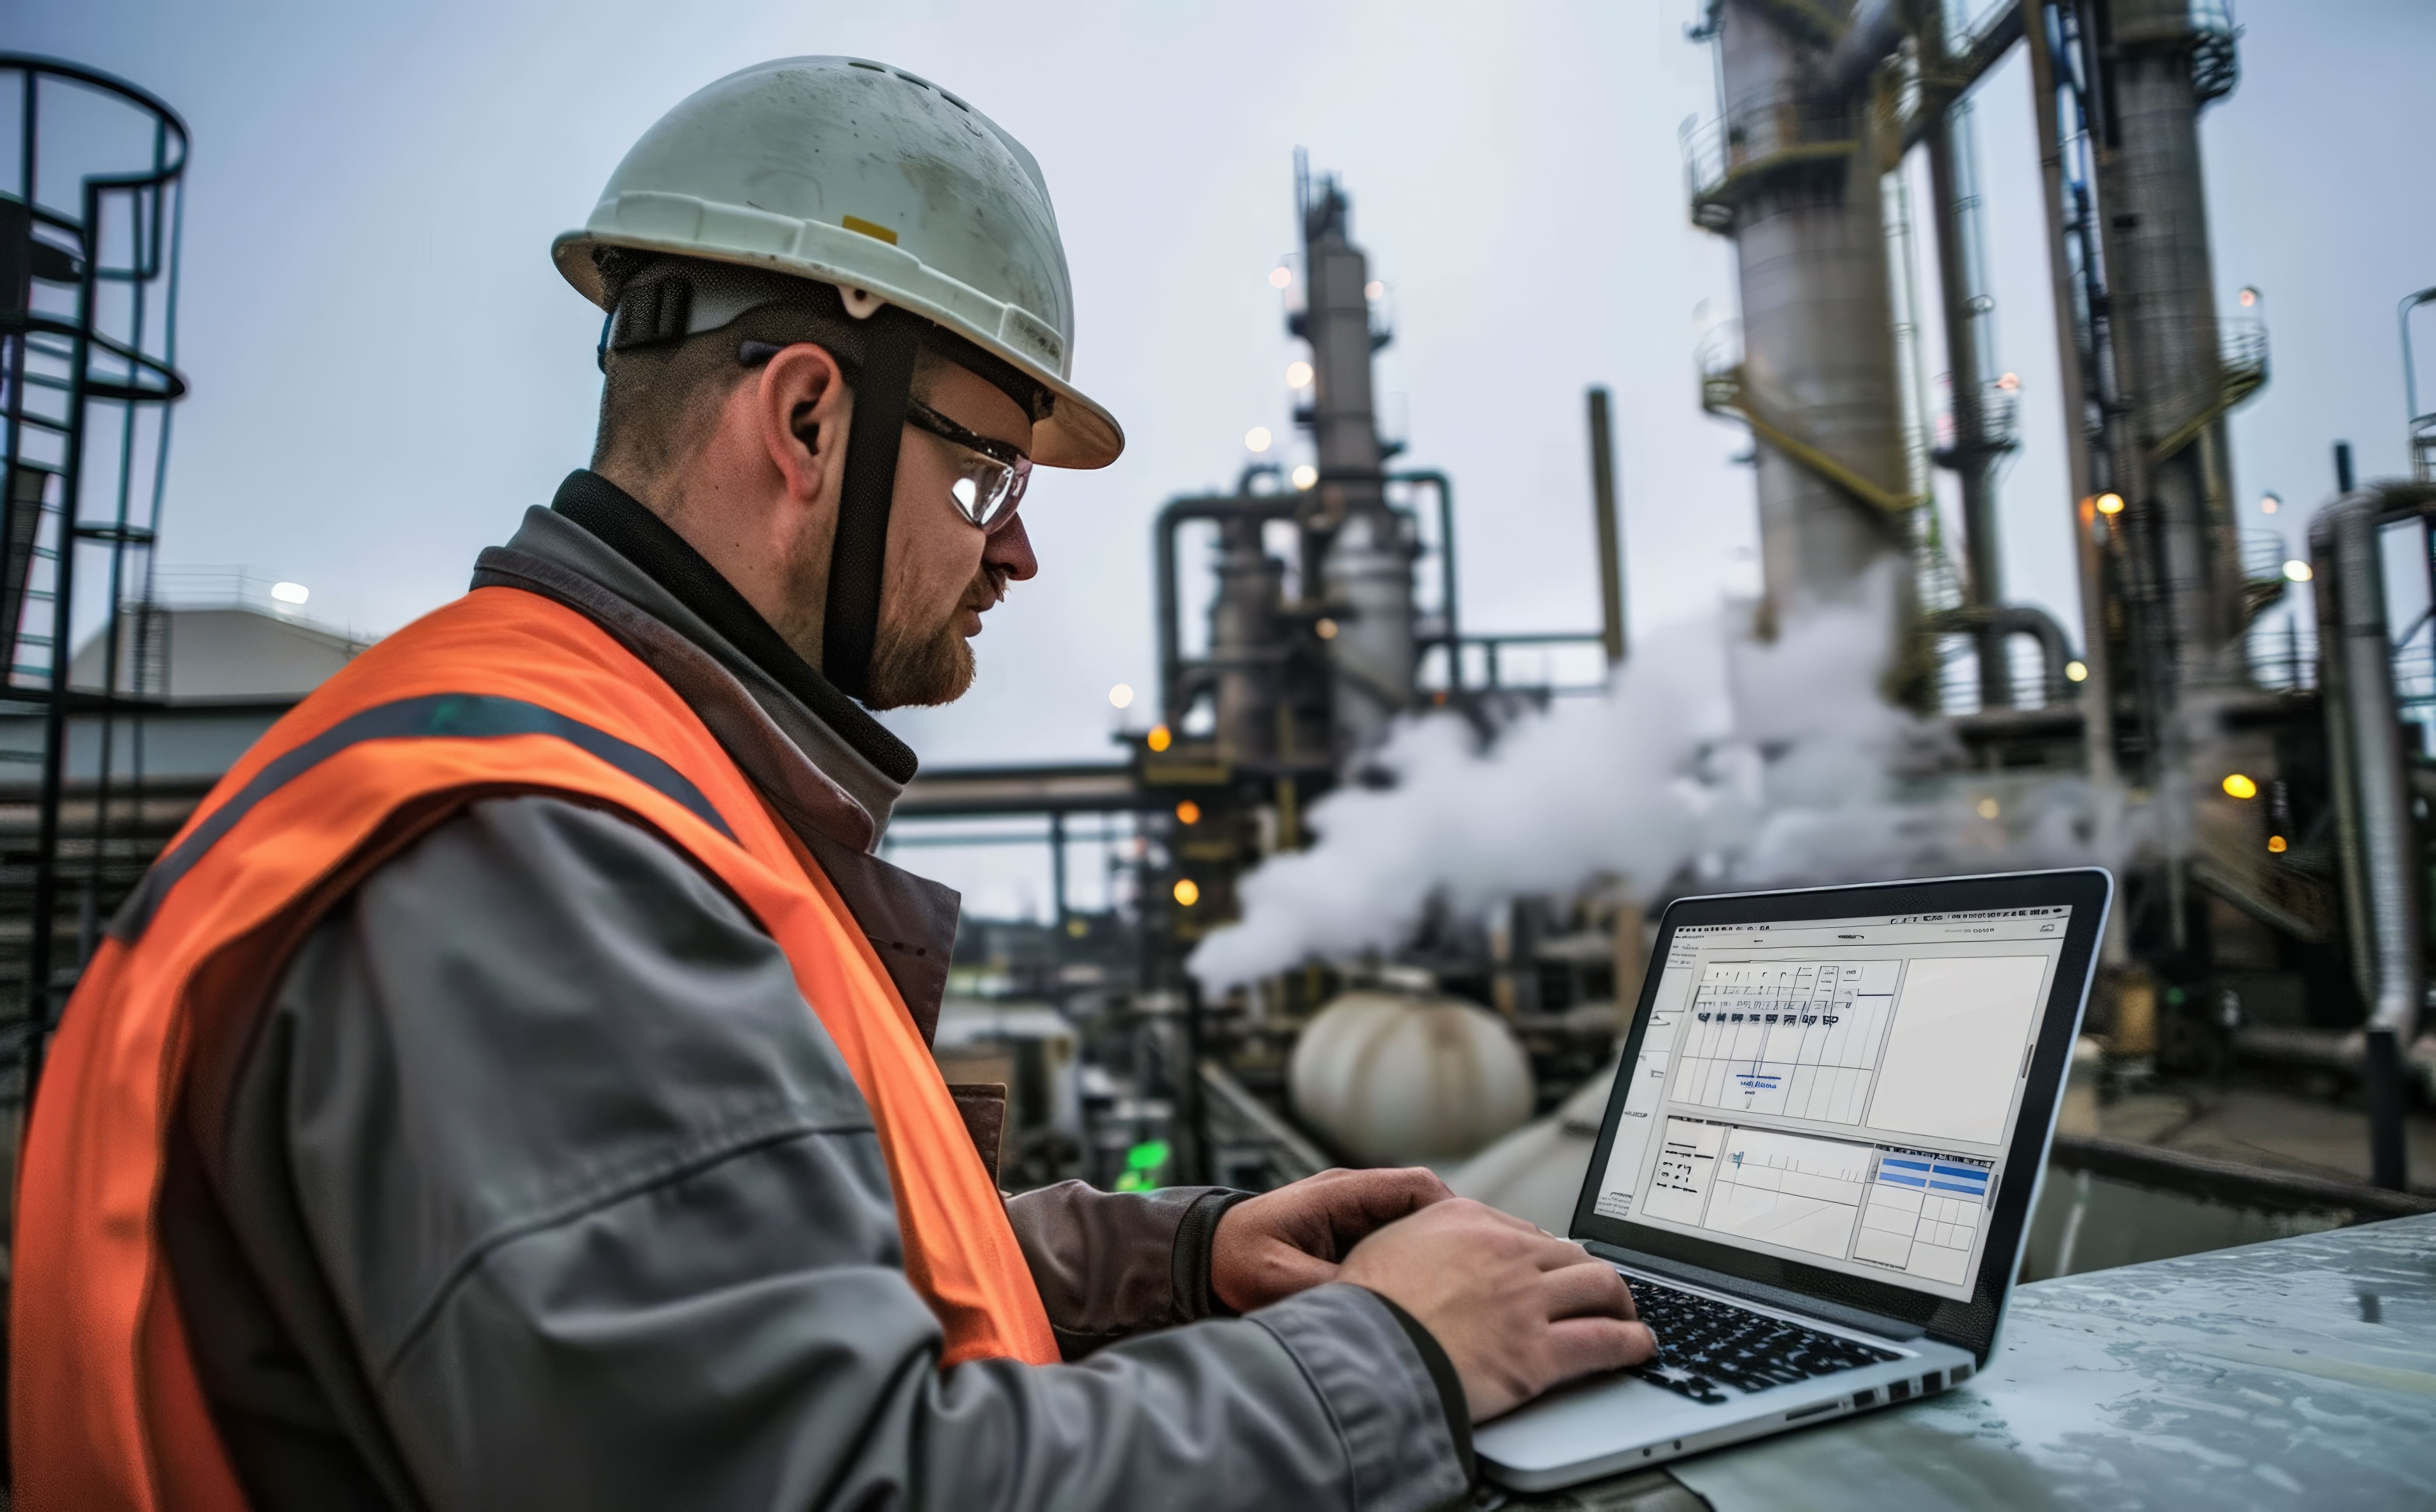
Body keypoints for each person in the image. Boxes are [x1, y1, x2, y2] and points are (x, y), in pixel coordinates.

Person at [11, 56, 1652, 1511]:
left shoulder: (626, 775)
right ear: (806, 416)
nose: (1013, 547)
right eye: (985, 470)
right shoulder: (535, 852)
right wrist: (1396, 1358)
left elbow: (772, 1268)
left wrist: (1174, 1257)